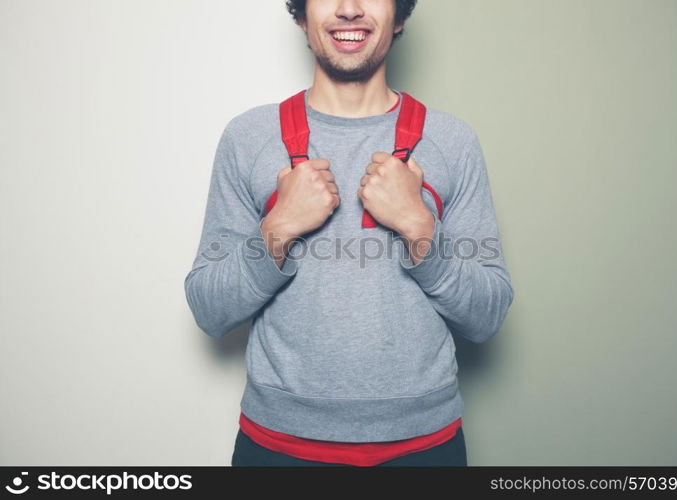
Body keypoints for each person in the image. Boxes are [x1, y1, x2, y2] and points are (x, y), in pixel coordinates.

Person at [184, 0, 514, 467]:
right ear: (301, 15)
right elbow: (209, 310)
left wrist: (420, 227)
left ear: (399, 16)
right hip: (278, 448)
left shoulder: (453, 141)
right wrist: (277, 229)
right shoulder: (249, 138)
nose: (349, 8)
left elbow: (488, 316)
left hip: (424, 449)